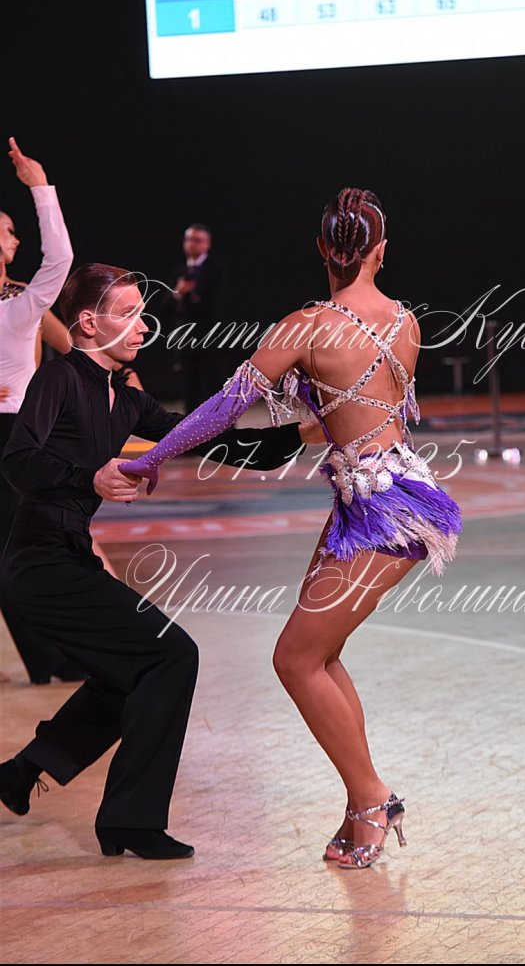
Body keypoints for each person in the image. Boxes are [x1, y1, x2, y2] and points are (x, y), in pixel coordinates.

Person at [119, 188, 464, 869]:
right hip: (387, 497)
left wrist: (153, 455)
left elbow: (223, 408)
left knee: (295, 659)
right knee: (321, 657)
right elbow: (358, 414)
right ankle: (364, 801)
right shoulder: (406, 322)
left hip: (381, 510)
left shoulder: (305, 326)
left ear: (321, 248)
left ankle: (372, 799)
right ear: (381, 250)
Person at [0, 262, 319, 859]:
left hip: (67, 558)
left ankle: (23, 772)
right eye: (127, 314)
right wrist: (88, 476)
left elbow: (206, 438)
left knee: (134, 672)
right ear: (88, 323)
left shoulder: (126, 399)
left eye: (142, 314)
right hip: (37, 563)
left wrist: (301, 435)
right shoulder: (59, 378)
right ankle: (130, 820)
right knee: (172, 656)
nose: (143, 326)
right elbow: (18, 460)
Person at [0, 136, 82, 684]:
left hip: (20, 436)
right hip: (16, 435)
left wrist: (41, 189)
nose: (15, 238)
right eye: (7, 230)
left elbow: (60, 260)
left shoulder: (21, 301)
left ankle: (53, 657)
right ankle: (50, 658)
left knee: (28, 548)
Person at [164, 223, 237, 413]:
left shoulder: (217, 271)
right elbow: (166, 306)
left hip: (211, 341)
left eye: (197, 240)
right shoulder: (179, 272)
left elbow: (218, 305)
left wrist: (191, 298)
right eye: (189, 239)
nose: (192, 244)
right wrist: (179, 294)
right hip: (187, 342)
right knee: (190, 392)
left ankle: (225, 429)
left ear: (207, 244)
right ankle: (193, 430)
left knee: (216, 390)